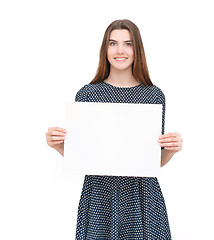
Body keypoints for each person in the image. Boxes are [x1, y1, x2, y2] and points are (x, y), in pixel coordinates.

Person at [46, 19, 183, 240]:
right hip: (99, 195)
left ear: (137, 49)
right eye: (113, 43)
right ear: (105, 49)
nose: (120, 50)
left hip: (141, 196)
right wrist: (58, 146)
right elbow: (83, 157)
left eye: (128, 44)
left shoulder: (153, 96)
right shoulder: (87, 95)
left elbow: (152, 160)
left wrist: (172, 149)